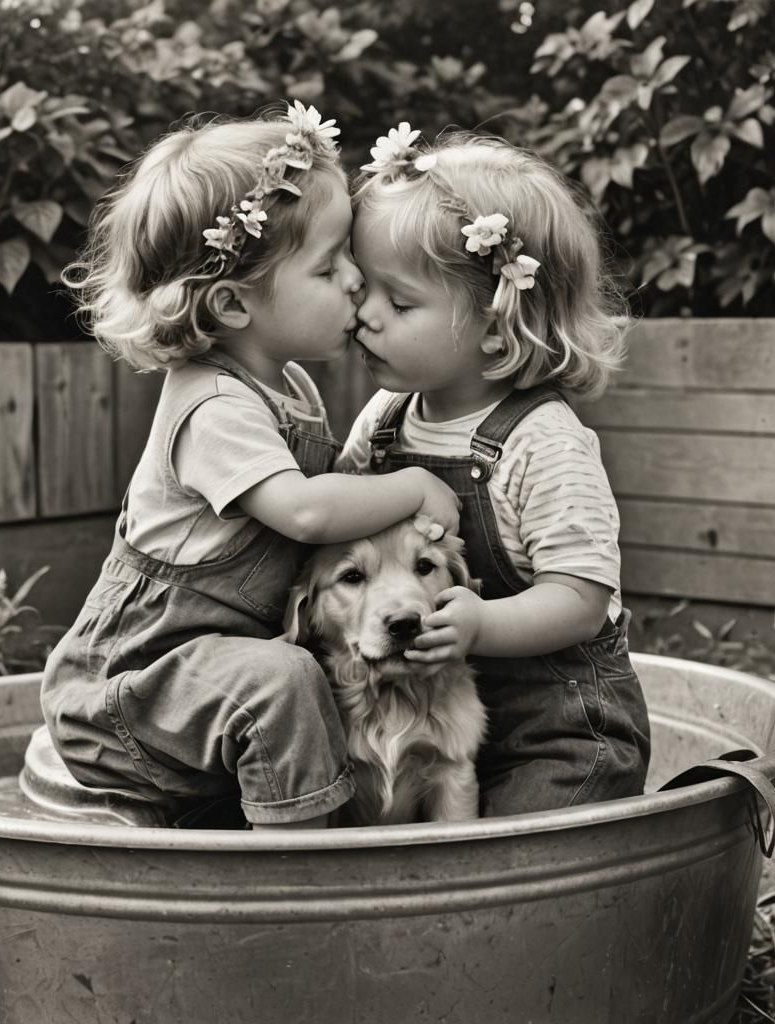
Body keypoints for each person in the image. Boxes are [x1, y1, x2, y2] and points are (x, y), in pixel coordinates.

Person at [40, 104, 462, 830]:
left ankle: (302, 835)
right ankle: (300, 882)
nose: (356, 281)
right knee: (286, 676)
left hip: (211, 685)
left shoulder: (290, 389)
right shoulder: (211, 406)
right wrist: (418, 485)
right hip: (131, 695)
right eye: (329, 267)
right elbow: (305, 512)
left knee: (317, 670)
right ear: (234, 303)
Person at [340, 126, 651, 817]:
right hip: (433, 709)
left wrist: (481, 624)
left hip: (558, 729)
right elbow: (340, 522)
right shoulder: (386, 417)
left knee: (521, 849)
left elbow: (580, 598)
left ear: (495, 325)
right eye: (363, 289)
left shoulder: (544, 444)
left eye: (398, 302)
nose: (362, 316)